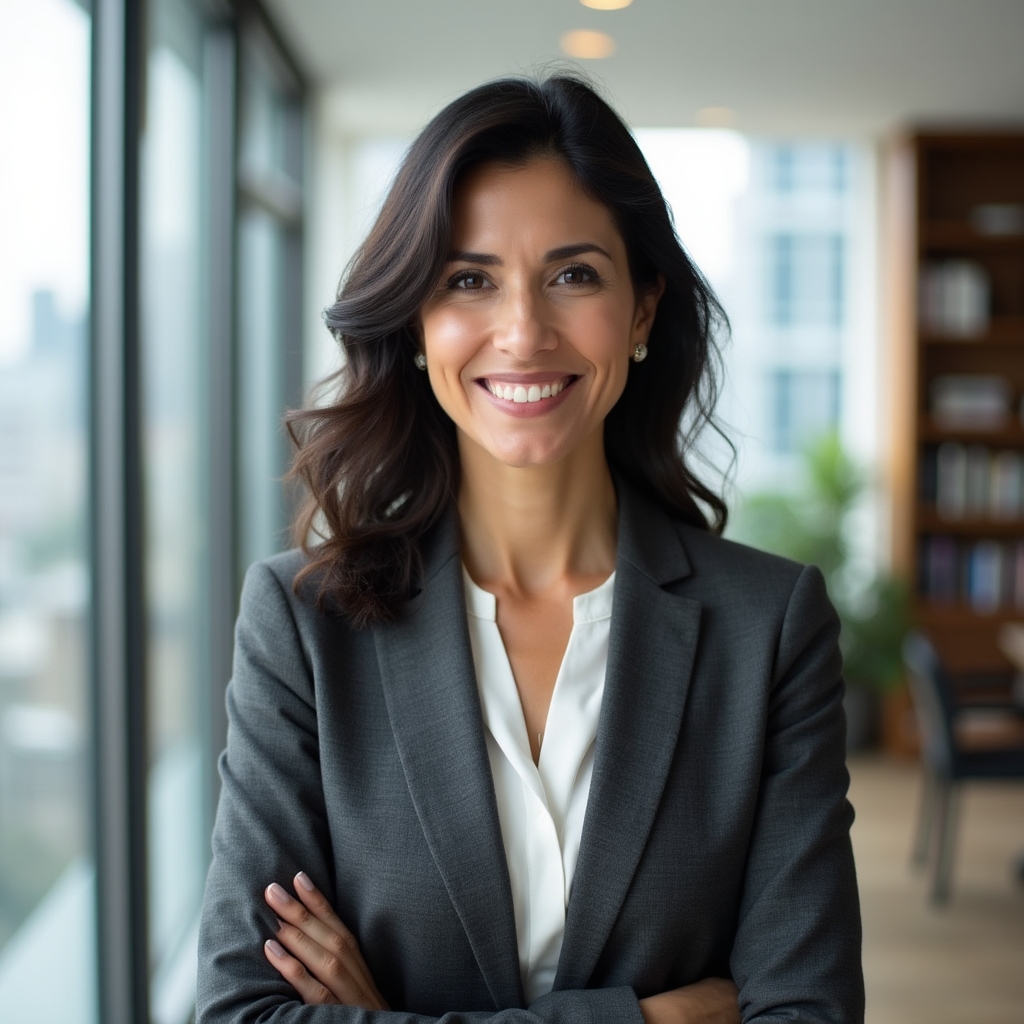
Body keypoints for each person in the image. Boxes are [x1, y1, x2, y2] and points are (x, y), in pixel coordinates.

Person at [196, 75, 863, 1024]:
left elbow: (808, 1012)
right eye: (470, 280)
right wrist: (649, 1020)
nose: (523, 331)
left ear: (640, 312)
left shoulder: (770, 627)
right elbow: (241, 1014)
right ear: (419, 326)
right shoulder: (305, 625)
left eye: (574, 274)